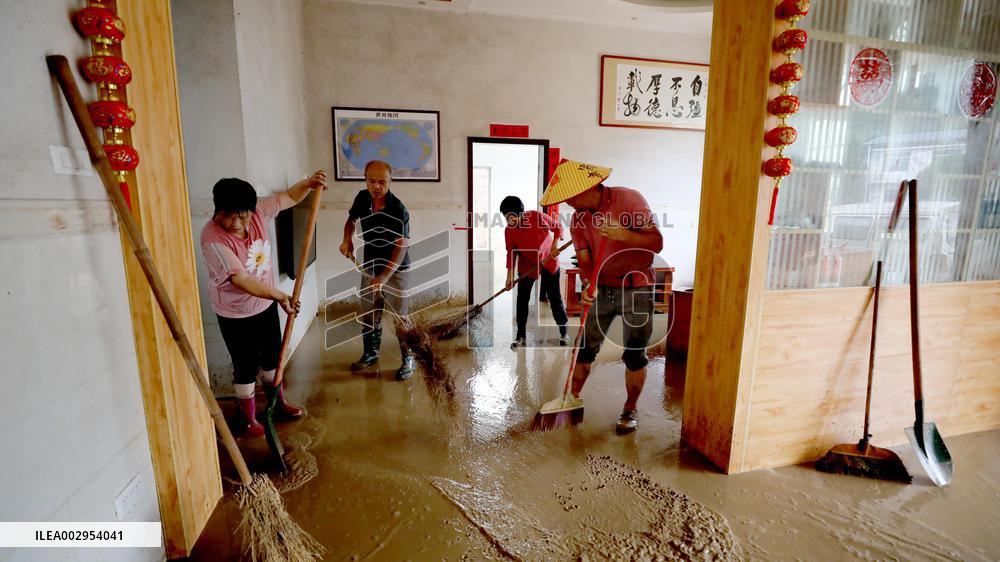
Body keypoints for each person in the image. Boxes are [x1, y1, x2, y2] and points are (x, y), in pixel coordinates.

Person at [539, 159, 663, 435]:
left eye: (571, 196)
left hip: (637, 287)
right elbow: (584, 258)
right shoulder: (579, 217)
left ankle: (630, 409)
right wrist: (586, 284)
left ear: (589, 187)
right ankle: (571, 400)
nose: (569, 203)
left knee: (634, 354)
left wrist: (622, 233)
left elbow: (656, 242)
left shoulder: (629, 200)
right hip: (602, 289)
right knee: (583, 350)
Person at [200, 171, 327, 437]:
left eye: (242, 215)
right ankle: (247, 418)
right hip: (235, 312)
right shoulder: (212, 239)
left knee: (273, 356)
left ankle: (277, 405)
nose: (236, 222)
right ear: (218, 210)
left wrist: (309, 184)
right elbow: (240, 279)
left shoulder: (258, 211)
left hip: (264, 305)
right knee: (245, 364)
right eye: (228, 215)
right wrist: (280, 296)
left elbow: (291, 196)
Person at [339, 160, 414, 381]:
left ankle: (408, 358)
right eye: (372, 181)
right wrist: (347, 240)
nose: (377, 186)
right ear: (365, 179)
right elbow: (351, 220)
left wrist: (383, 277)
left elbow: (402, 246)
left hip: (396, 269)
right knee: (370, 313)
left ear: (390, 182)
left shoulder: (398, 209)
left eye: (382, 182)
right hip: (370, 264)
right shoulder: (362, 198)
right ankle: (371, 353)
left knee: (401, 317)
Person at [499, 195, 569, 348]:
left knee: (555, 298)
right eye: (506, 218)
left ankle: (564, 331)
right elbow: (511, 253)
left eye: (512, 217)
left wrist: (554, 247)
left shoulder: (537, 217)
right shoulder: (509, 231)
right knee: (522, 299)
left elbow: (558, 227)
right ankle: (521, 337)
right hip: (527, 265)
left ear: (521, 214)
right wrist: (509, 277)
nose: (510, 222)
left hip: (549, 260)